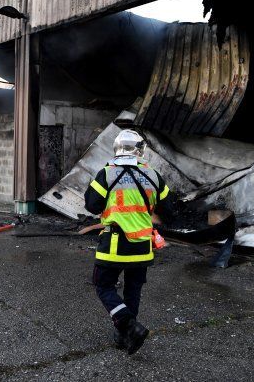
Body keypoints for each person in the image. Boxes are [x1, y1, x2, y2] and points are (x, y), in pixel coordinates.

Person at [84, 129, 171, 355]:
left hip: (114, 243)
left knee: (103, 286)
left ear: (117, 148)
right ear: (140, 150)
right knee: (133, 289)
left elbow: (91, 205)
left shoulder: (107, 174)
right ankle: (125, 336)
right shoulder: (153, 175)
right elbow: (169, 208)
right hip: (143, 246)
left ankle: (128, 325)